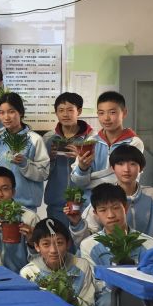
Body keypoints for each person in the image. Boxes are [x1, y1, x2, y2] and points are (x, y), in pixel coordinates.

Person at [70, 183, 153, 306]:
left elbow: (152, 280)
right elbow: (94, 282)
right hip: (107, 300)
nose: (110, 215)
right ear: (95, 214)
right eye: (103, 210)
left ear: (126, 207)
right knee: (112, 303)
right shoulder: (89, 245)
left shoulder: (148, 243)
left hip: (140, 303)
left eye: (116, 208)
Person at [69, 145, 153, 248]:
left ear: (141, 168)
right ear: (112, 168)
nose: (126, 169)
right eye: (120, 164)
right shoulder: (104, 195)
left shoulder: (151, 195)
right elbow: (87, 240)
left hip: (148, 256)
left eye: (133, 164)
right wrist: (77, 224)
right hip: (111, 257)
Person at [20, 218, 106, 306]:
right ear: (37, 246)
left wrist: (69, 298)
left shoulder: (82, 265)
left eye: (59, 243)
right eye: (46, 244)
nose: (53, 250)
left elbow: (88, 303)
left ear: (68, 244)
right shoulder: (28, 272)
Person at [70, 91, 144, 190]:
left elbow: (129, 179)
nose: (106, 118)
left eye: (112, 112)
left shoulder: (134, 143)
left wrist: (90, 179)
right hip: (91, 199)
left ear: (124, 113)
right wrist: (82, 168)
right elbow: (77, 181)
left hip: (119, 198)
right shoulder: (91, 142)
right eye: (101, 113)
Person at [43, 92, 95, 227]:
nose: (65, 114)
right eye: (61, 110)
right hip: (56, 206)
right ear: (56, 113)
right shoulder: (49, 139)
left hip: (84, 205)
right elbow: (43, 174)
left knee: (82, 238)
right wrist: (51, 159)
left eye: (70, 110)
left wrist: (80, 159)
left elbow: (97, 171)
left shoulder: (91, 139)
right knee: (57, 239)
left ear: (79, 111)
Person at [0, 92, 50, 210]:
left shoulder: (35, 140)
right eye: (2, 112)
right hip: (0, 205)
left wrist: (25, 164)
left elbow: (44, 173)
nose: (6, 117)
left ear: (21, 112)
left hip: (26, 206)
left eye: (11, 111)